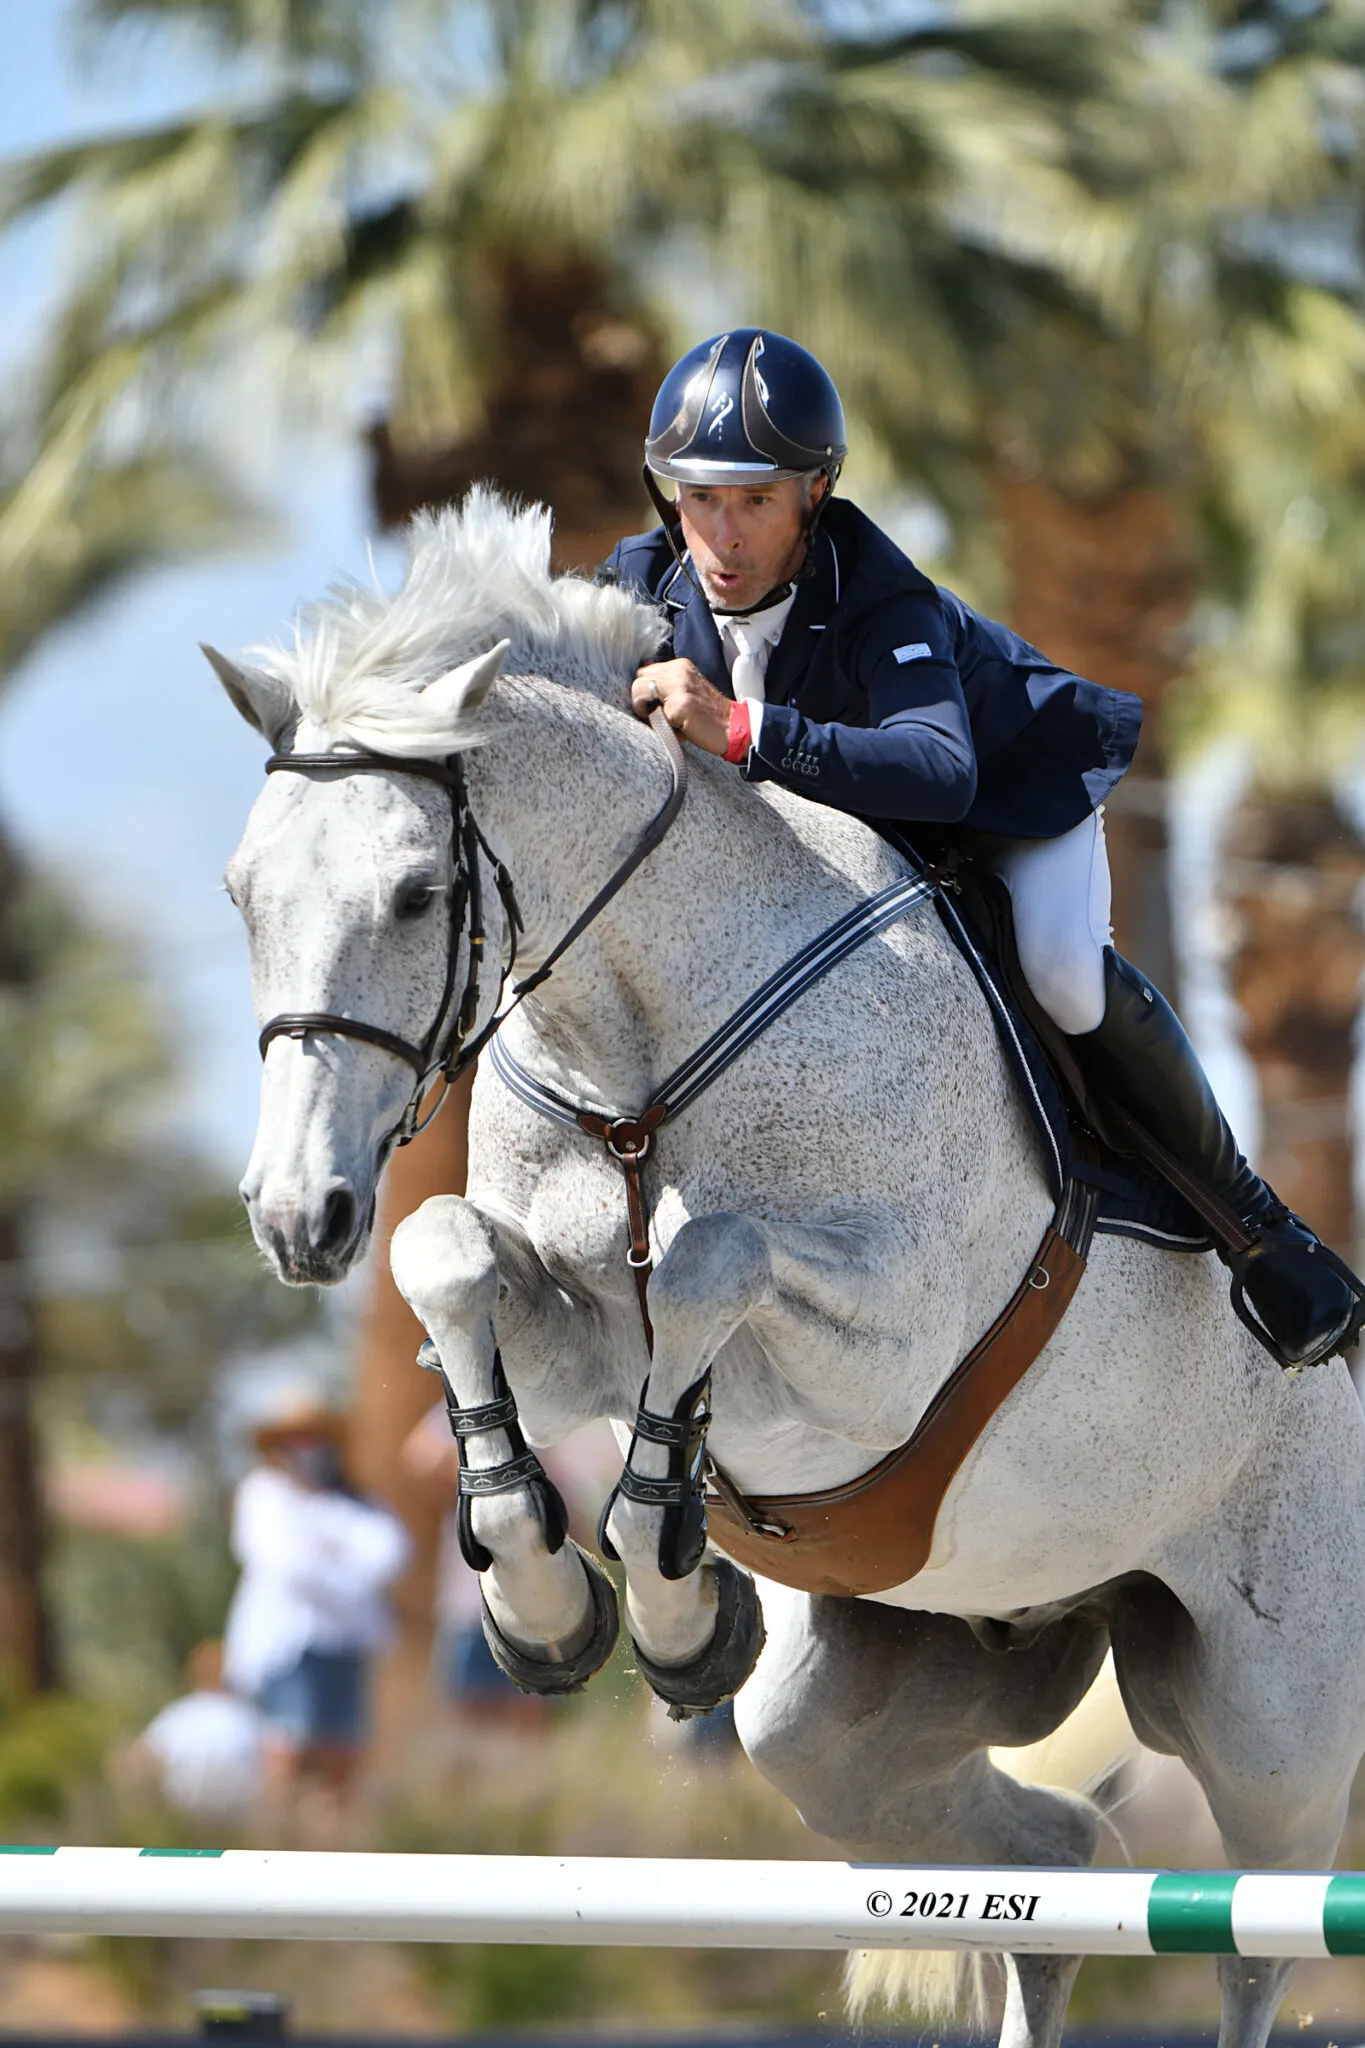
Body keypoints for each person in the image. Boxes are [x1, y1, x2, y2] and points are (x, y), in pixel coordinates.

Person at [600, 327, 1365, 1373]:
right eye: (701, 497)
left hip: (1008, 804)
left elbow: (937, 771)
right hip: (859, 837)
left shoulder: (881, 595)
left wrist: (742, 729)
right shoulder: (641, 583)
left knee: (1060, 973)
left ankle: (1265, 1235)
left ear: (815, 494)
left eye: (757, 500)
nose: (722, 536)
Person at [222, 1393, 411, 1811]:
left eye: (315, 1436)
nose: (308, 1446)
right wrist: (345, 1566)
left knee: (342, 1761)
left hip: (345, 1648)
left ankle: (327, 1850)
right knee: (288, 1755)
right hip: (288, 1647)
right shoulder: (264, 1492)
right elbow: (287, 1566)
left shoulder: (353, 1500)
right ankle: (272, 1853)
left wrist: (327, 1555)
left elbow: (391, 1555)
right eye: (298, 1437)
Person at [129, 1639, 264, 1820]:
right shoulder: (250, 1716)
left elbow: (142, 1758)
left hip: (181, 1816)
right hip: (241, 1817)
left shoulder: (178, 1715)